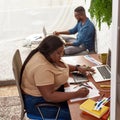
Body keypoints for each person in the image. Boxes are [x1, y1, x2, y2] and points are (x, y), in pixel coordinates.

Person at [20, 35, 94, 120]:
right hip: (39, 104)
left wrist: (77, 68)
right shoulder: (42, 67)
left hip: (47, 96)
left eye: (62, 52)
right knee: (81, 114)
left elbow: (60, 66)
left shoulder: (45, 55)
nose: (61, 55)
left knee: (82, 105)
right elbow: (49, 96)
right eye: (58, 53)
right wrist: (76, 94)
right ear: (48, 51)